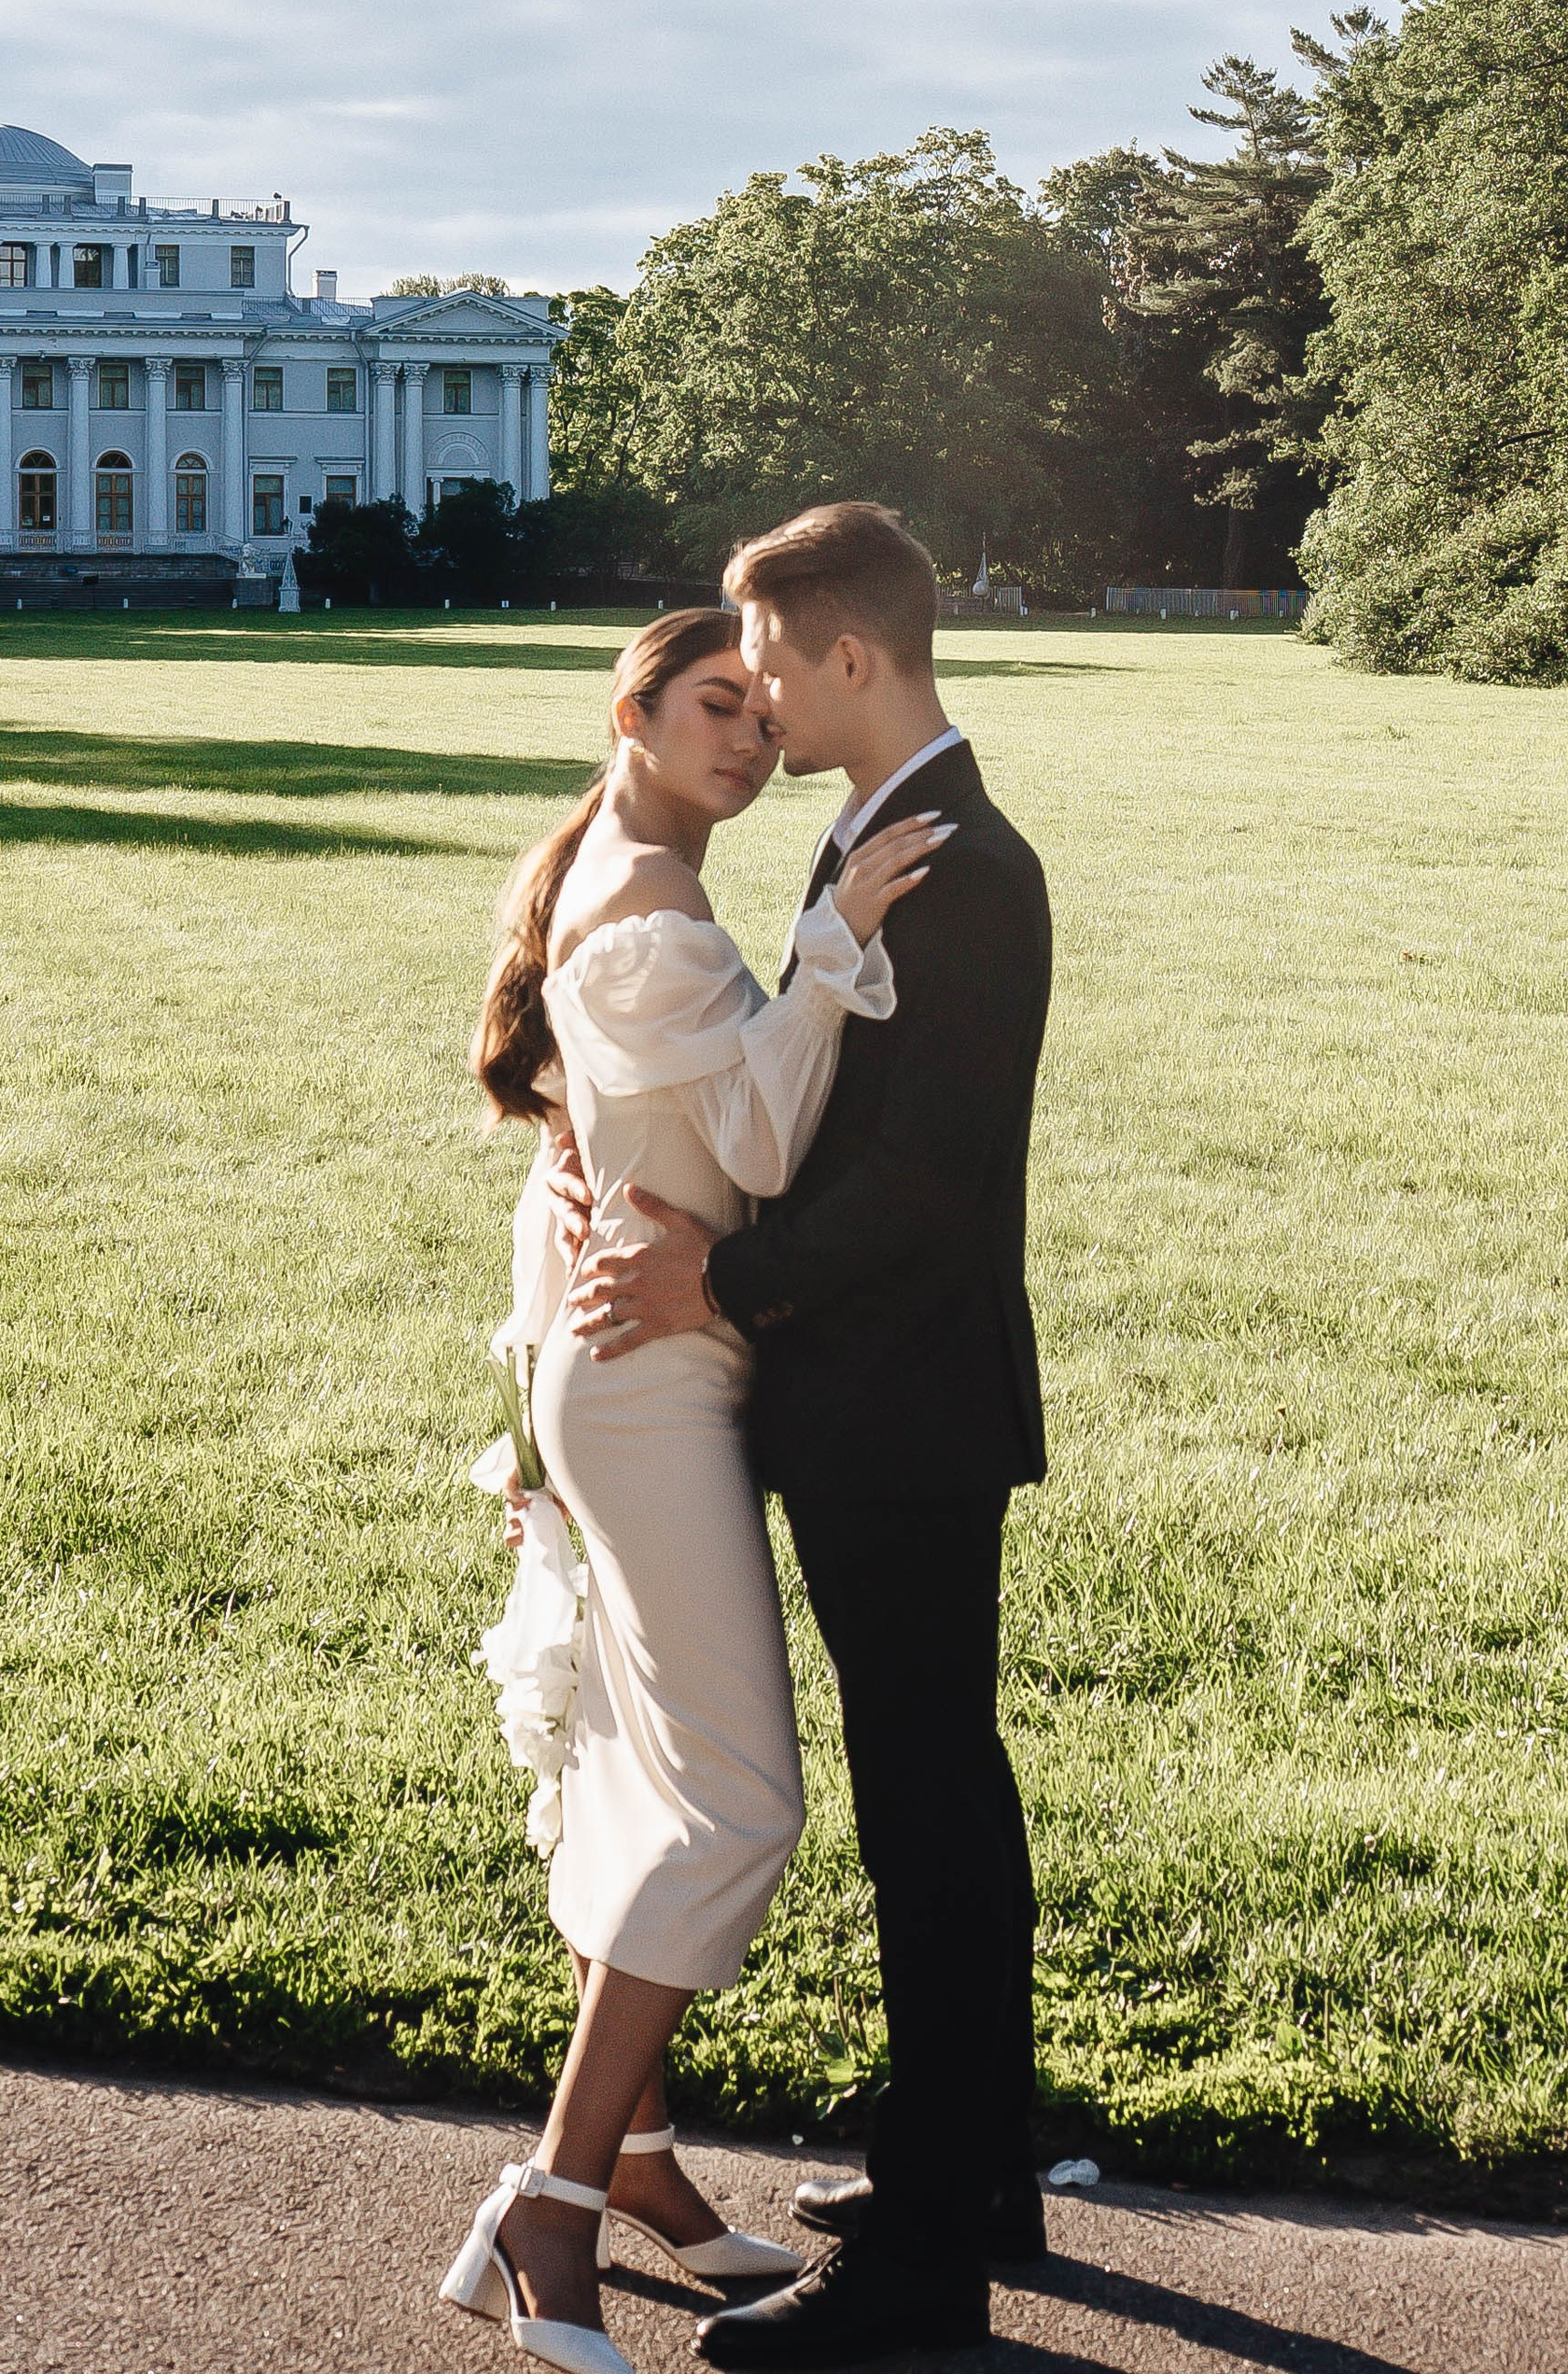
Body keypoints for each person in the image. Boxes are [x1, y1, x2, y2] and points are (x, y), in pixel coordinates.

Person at [565, 504, 1052, 2369]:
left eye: (766, 663)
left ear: (848, 653)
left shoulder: (961, 861)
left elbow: (929, 1185)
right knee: (925, 1788)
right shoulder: (880, 831)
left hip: (903, 1402)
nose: (755, 702)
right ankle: (963, 2160)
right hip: (869, 1399)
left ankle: (927, 2265)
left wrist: (719, 1285)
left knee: (929, 1803)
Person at [441, 604, 949, 2374]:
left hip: (645, 1368)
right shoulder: (649, 907)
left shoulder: (617, 870)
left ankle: (640, 2160)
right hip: (652, 1389)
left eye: (759, 704)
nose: (748, 733)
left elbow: (617, 1129)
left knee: (643, 1772)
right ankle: (553, 2207)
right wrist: (829, 948)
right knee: (737, 1801)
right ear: (634, 716)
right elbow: (756, 1145)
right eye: (712, 705)